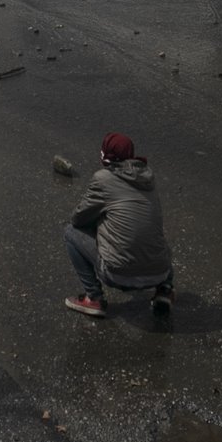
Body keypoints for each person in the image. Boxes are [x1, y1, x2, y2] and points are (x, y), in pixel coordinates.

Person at [63, 132, 174, 318]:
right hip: (160, 271)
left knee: (70, 232)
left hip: (118, 275)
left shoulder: (103, 179)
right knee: (152, 234)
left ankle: (94, 298)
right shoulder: (148, 179)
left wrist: (99, 224)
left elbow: (78, 219)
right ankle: (165, 289)